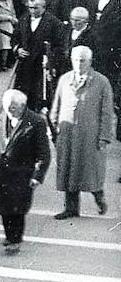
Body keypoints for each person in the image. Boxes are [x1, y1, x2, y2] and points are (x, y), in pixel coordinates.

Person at [0, 90, 51, 254]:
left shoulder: (36, 122)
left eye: (13, 107)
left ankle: (15, 239)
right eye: (6, 107)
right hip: (3, 173)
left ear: (22, 106)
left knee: (17, 209)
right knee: (4, 207)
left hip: (23, 174)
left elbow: (44, 154)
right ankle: (9, 235)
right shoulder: (3, 117)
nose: (9, 110)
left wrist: (37, 176)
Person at [52, 45, 114, 219]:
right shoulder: (65, 79)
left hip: (89, 135)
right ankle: (71, 208)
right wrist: (53, 125)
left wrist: (104, 136)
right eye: (76, 60)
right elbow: (56, 104)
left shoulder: (101, 82)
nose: (79, 64)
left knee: (90, 170)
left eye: (83, 61)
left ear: (90, 61)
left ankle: (98, 196)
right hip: (67, 134)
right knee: (68, 170)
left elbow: (107, 112)